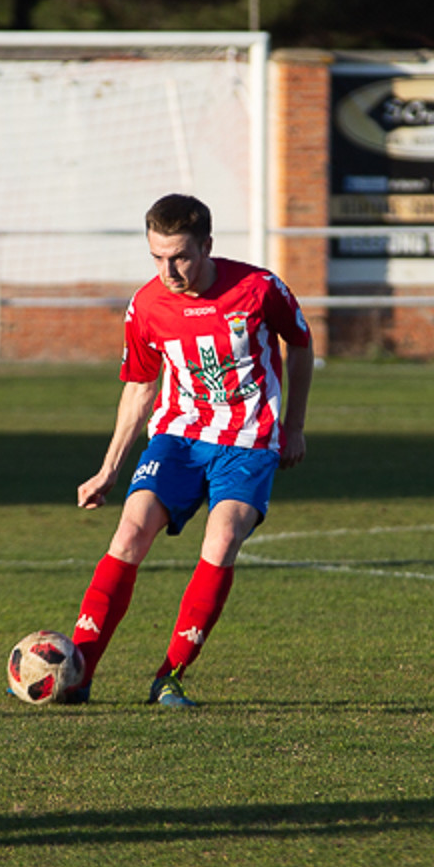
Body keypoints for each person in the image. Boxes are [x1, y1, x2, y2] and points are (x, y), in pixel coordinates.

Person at [61, 193, 313, 708]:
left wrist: (294, 426)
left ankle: (169, 676)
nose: (168, 269)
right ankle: (76, 672)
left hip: (248, 440)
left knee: (221, 539)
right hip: (178, 436)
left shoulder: (259, 289)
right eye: (157, 257)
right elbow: (139, 386)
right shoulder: (147, 305)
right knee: (130, 530)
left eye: (179, 256)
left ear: (206, 246)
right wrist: (109, 467)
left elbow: (301, 345)